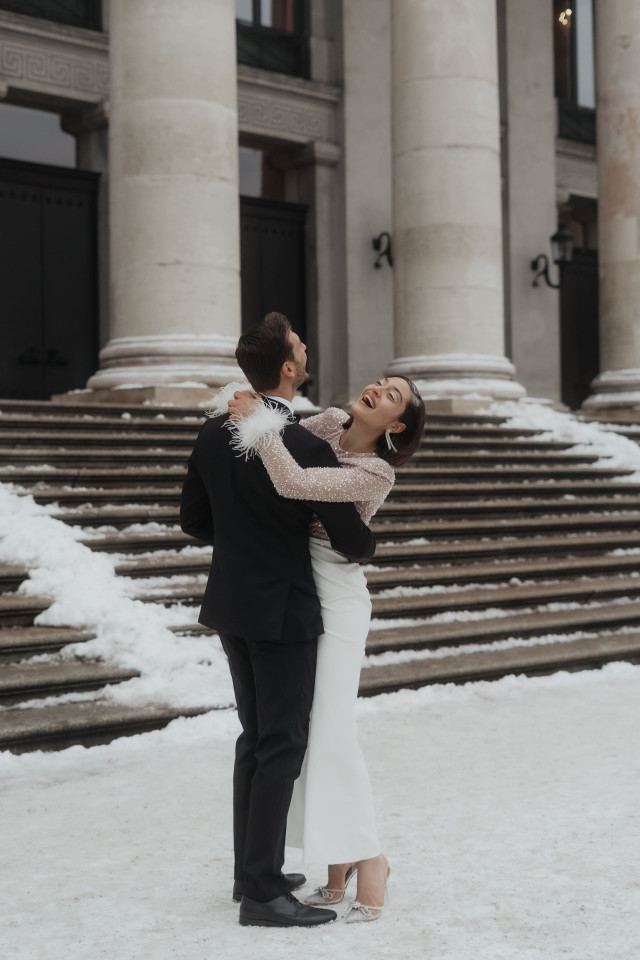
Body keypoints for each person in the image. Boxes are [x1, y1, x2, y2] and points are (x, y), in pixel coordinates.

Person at [179, 312, 376, 928]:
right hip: (284, 610)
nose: (308, 349)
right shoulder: (304, 447)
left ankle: (250, 870)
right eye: (301, 347)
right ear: (288, 369)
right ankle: (263, 891)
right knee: (281, 743)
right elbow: (352, 542)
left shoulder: (216, 429)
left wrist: (242, 538)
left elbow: (193, 519)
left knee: (254, 739)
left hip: (232, 603)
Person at [227, 369, 426, 922]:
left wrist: (256, 423)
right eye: (382, 381)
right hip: (294, 585)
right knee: (307, 731)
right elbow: (288, 439)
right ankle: (337, 863)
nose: (377, 390)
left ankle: (372, 858)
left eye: (392, 396)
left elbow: (291, 478)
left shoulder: (375, 471)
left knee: (333, 731)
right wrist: (257, 411)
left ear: (397, 423)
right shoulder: (331, 422)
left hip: (336, 594)